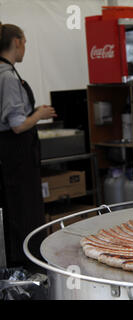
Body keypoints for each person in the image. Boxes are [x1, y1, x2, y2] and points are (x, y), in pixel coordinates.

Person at [0, 22, 56, 267]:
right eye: (25, 42)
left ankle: (17, 265)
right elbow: (17, 124)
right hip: (16, 156)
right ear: (16, 42)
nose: (25, 48)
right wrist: (40, 115)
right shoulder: (8, 77)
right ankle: (30, 266)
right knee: (24, 213)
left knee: (13, 211)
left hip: (10, 157)